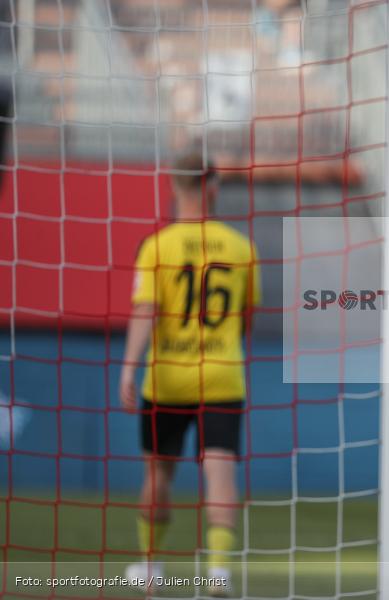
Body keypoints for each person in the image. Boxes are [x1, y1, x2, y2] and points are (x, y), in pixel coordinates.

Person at [119, 152, 261, 597]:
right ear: (213, 187)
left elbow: (146, 310)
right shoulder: (241, 247)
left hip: (167, 378)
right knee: (220, 472)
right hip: (221, 374)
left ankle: (150, 567)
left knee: (158, 475)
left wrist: (129, 368)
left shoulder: (157, 246)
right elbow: (246, 316)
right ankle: (218, 571)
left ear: (173, 186)